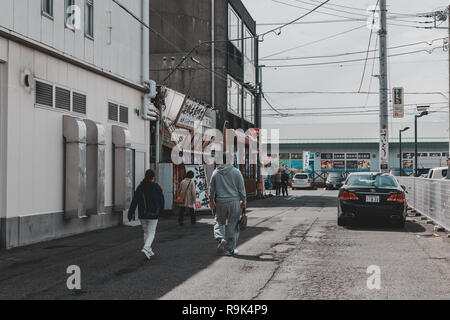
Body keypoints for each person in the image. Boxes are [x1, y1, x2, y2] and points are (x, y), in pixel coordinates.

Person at [209, 159, 246, 257]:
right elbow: (241, 188)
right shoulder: (236, 172)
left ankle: (221, 239)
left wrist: (211, 200)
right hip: (234, 201)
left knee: (219, 222)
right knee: (233, 225)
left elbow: (211, 188)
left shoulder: (216, 172)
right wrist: (244, 201)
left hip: (221, 201)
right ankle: (230, 250)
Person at [128, 169, 165, 260]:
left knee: (146, 232)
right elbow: (162, 200)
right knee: (151, 233)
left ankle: (149, 250)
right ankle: (145, 248)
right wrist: (161, 211)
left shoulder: (140, 187)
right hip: (153, 214)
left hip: (142, 214)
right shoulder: (156, 187)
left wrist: (130, 213)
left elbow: (134, 201)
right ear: (153, 177)